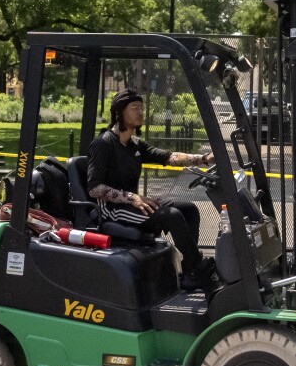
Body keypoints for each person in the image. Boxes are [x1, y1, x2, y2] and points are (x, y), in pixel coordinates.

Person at [86, 88, 216, 290]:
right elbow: (94, 188)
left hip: (133, 203)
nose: (140, 112)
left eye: (141, 107)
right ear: (119, 112)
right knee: (172, 215)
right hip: (112, 210)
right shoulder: (103, 144)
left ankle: (190, 270)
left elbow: (169, 157)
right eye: (134, 108)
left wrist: (203, 159)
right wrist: (132, 198)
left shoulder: (135, 144)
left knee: (189, 209)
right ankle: (198, 266)